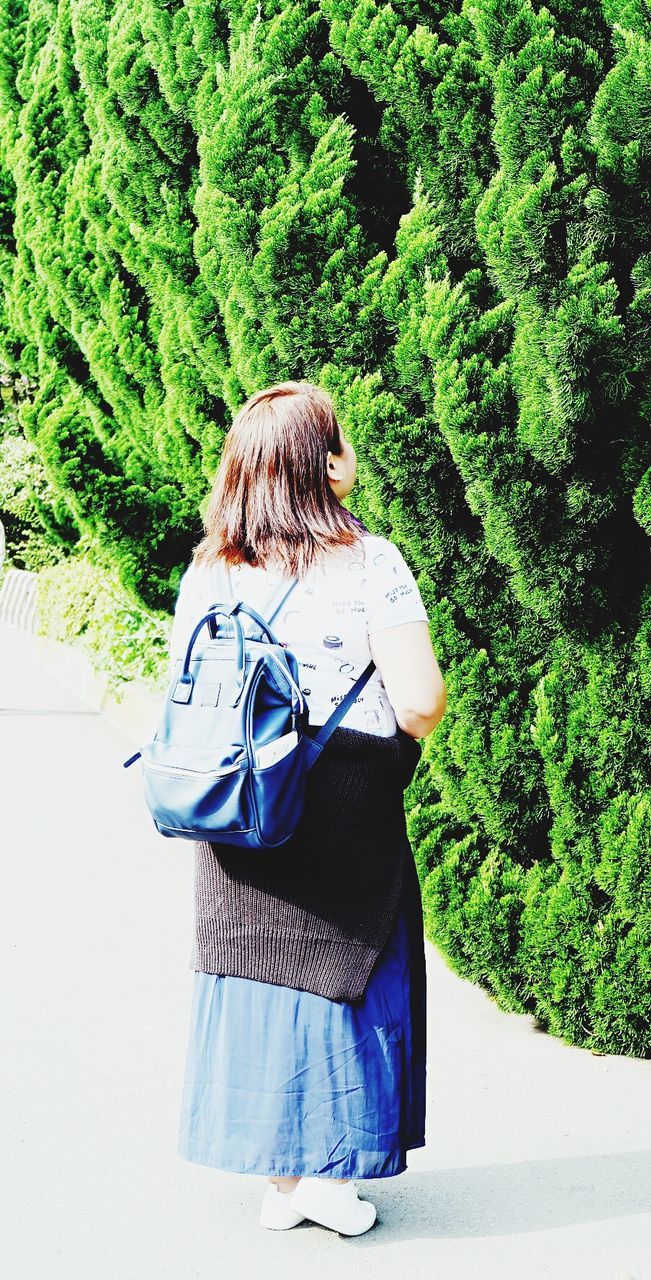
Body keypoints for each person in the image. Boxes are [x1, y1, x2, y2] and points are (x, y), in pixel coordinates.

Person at [168, 380, 446, 1236]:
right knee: (351, 969)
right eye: (342, 441)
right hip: (343, 794)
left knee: (258, 973)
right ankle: (329, 1178)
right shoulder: (371, 561)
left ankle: (282, 1179)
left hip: (238, 800)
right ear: (324, 465)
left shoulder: (211, 566)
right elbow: (421, 699)